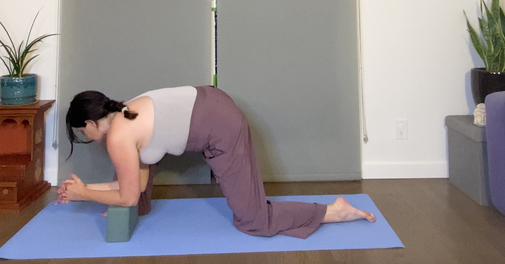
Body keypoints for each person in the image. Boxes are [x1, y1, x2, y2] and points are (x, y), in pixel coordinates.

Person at [58, 85, 376, 239]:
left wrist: (85, 194)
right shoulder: (126, 112)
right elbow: (135, 186)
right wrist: (87, 189)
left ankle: (333, 211)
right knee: (132, 189)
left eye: (83, 133)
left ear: (88, 122)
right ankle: (329, 211)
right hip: (212, 102)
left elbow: (127, 194)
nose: (88, 138)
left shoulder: (117, 137)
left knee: (253, 220)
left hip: (221, 125)